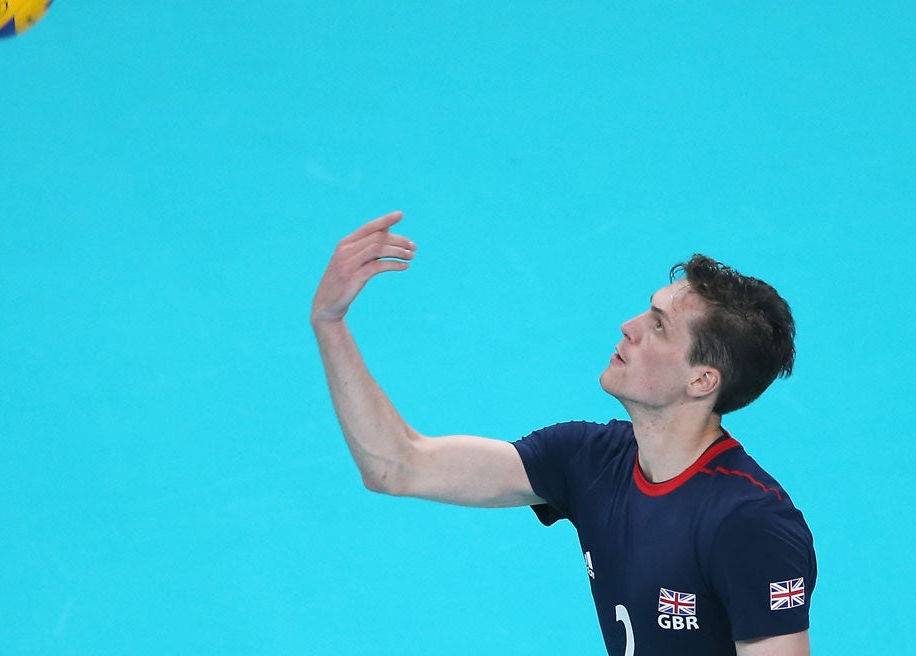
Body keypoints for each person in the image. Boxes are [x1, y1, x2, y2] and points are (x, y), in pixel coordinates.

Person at [311, 211, 816, 656]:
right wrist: (330, 322)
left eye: (659, 326)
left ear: (702, 380)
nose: (629, 327)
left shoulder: (747, 521)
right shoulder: (588, 458)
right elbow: (397, 465)